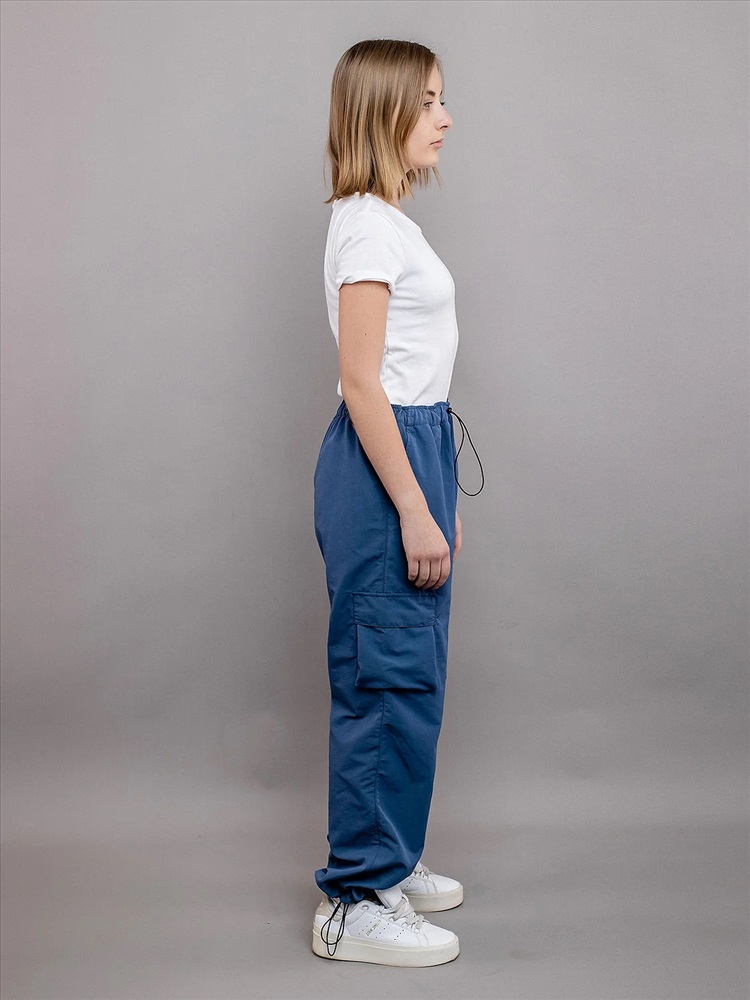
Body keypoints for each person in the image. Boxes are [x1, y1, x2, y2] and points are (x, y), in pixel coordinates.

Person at [310, 39, 484, 968]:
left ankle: (389, 859)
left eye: (442, 98)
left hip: (414, 449)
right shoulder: (370, 229)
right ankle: (353, 900)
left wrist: (434, 489)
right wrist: (414, 506)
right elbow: (360, 382)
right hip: (386, 462)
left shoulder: (386, 221)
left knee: (413, 673)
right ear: (382, 112)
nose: (444, 118)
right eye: (426, 101)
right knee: (384, 679)